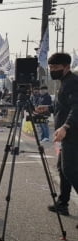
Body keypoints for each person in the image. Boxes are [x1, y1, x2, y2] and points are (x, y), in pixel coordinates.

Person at [41, 53, 78, 217]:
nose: (52, 70)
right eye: (50, 67)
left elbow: (76, 107)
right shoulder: (64, 83)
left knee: (70, 170)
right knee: (62, 169)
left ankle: (63, 202)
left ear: (67, 67)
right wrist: (47, 109)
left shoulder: (72, 82)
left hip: (73, 134)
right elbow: (62, 106)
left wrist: (66, 126)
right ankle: (63, 203)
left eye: (56, 67)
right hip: (66, 135)